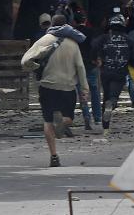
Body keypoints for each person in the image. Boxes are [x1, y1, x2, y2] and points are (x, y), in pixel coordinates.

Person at [21, 16, 89, 166]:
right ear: (67, 25)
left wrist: (36, 68)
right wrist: (84, 89)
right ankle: (62, 124)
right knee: (69, 118)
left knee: (47, 121)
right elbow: (80, 67)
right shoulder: (73, 43)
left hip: (47, 87)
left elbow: (25, 61)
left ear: (51, 25)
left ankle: (54, 156)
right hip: (68, 88)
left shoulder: (43, 40)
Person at [91, 13, 134, 137]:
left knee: (106, 95)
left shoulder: (103, 38)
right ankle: (111, 104)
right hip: (120, 72)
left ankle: (105, 128)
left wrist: (95, 59)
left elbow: (93, 47)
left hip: (105, 71)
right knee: (113, 96)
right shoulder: (128, 40)